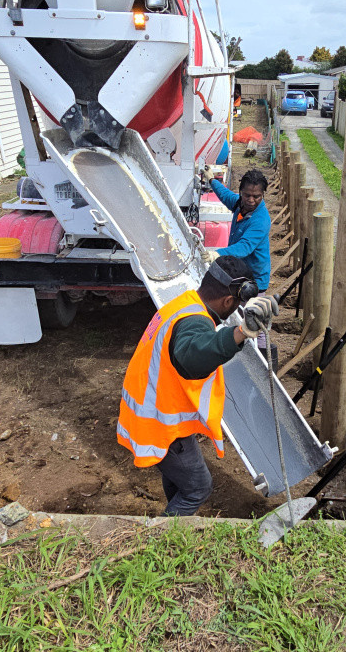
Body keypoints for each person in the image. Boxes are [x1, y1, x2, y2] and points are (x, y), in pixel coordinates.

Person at [118, 256, 279, 515]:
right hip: (161, 424)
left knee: (179, 479)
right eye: (235, 305)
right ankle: (163, 535)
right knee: (197, 488)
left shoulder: (184, 304)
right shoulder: (195, 321)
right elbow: (193, 357)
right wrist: (240, 333)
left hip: (150, 410)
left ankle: (174, 518)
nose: (233, 311)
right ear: (227, 301)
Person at [201, 168, 271, 292]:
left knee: (246, 304)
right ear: (241, 192)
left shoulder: (261, 220)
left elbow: (244, 246)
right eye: (247, 195)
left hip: (254, 281)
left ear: (262, 195)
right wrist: (211, 179)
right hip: (239, 272)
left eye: (256, 196)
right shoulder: (240, 203)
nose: (251, 200)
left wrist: (217, 254)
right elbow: (225, 195)